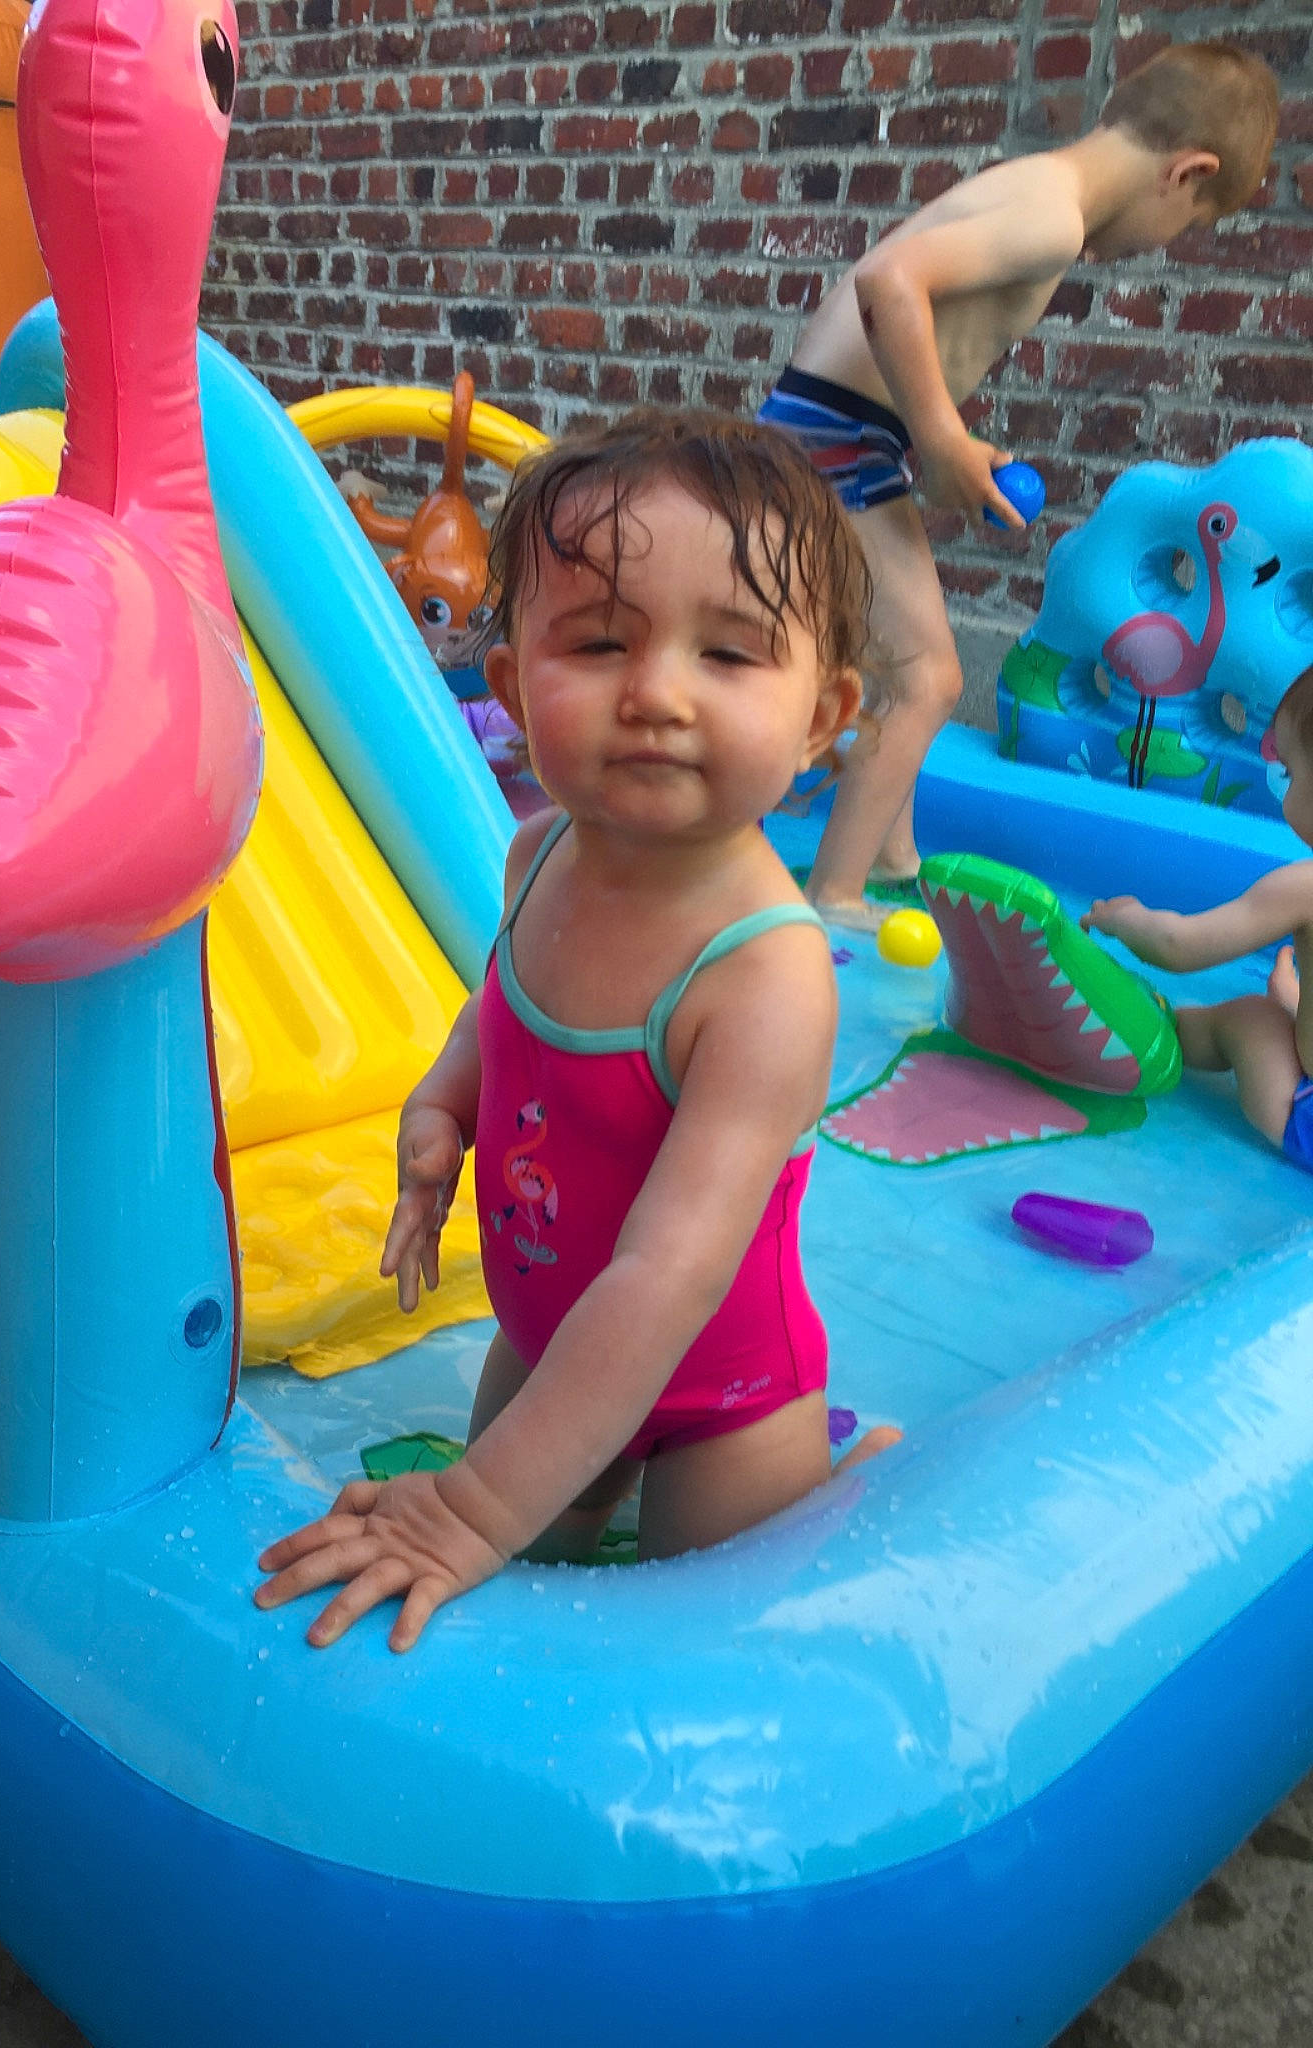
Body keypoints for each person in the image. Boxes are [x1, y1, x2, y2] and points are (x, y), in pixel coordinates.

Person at [256, 410, 900, 1649]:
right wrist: (441, 1105)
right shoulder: (537, 851)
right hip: (548, 1336)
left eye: (729, 655)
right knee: (523, 1571)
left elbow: (668, 1277)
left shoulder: (765, 979)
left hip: (720, 1391)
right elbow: (504, 1007)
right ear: (508, 685)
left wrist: (473, 1506)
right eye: (599, 641)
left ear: (822, 717)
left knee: (708, 1631)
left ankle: (858, 1473)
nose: (656, 693)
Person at [759, 39, 1281, 928]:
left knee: (892, 668)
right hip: (837, 440)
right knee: (929, 675)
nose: (1170, 244)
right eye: (1192, 225)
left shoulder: (1033, 184)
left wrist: (936, 436)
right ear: (1188, 174)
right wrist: (943, 437)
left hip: (836, 431)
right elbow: (890, 281)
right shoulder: (1053, 219)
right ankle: (834, 893)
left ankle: (889, 854)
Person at [1083, 667, 1313, 1169]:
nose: (1285, 787)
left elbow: (1180, 946)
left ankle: (1149, 1032)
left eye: (1292, 773)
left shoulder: (1304, 888)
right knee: (1281, 1014)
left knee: (1252, 1020)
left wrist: (1127, 918)